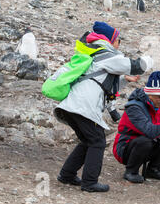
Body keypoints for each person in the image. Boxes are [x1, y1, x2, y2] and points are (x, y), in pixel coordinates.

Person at [54, 21, 152, 192]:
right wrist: (150, 58)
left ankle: (67, 174)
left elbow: (100, 81)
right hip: (83, 105)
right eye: (117, 39)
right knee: (97, 141)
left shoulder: (92, 53)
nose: (119, 43)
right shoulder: (106, 54)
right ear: (109, 40)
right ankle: (90, 182)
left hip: (73, 105)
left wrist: (124, 80)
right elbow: (136, 66)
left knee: (88, 140)